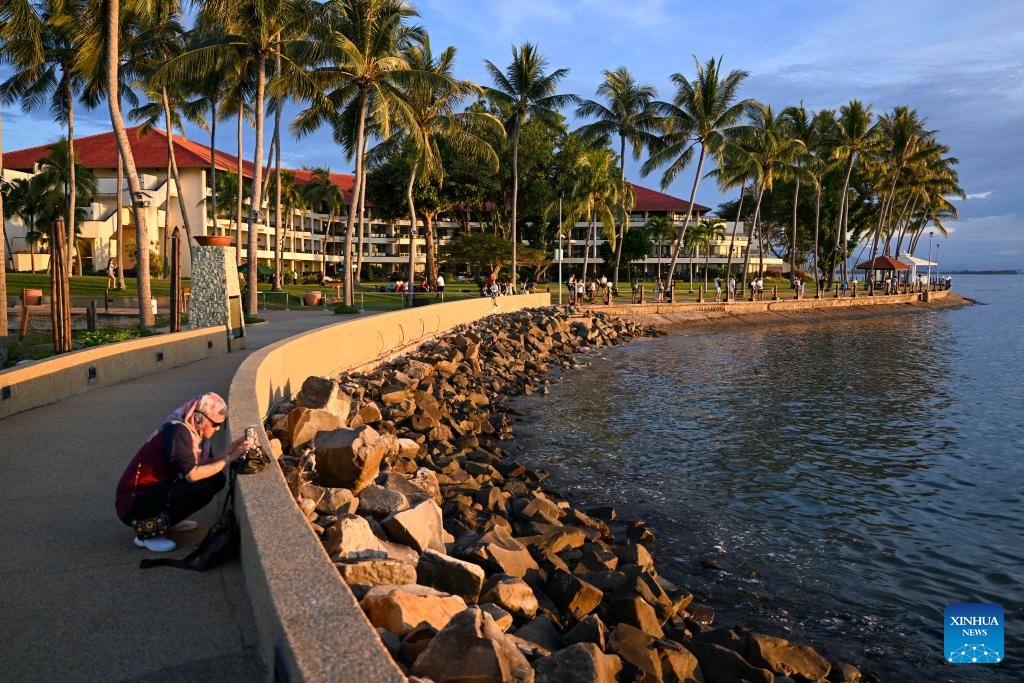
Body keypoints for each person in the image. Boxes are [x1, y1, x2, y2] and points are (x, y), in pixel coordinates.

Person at [115, 392, 254, 552]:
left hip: (156, 490)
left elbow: (208, 464)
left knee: (216, 480)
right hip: (133, 502)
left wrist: (235, 446)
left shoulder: (194, 434)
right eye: (215, 424)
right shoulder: (178, 432)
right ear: (199, 418)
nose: (217, 429)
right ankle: (147, 534)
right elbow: (193, 474)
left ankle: (168, 521)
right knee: (202, 489)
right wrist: (230, 458)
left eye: (220, 425)